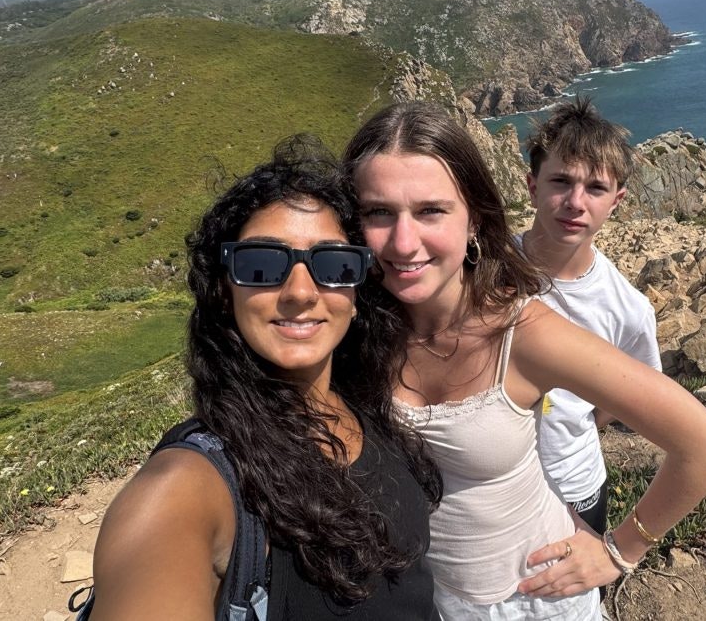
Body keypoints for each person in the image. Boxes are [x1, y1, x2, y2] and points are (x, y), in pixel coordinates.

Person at [343, 102, 706, 620]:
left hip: (531, 592)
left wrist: (621, 550)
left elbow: (704, 444)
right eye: (378, 212)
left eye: (431, 210)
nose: (404, 241)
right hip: (421, 592)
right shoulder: (350, 322)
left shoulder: (531, 330)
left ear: (474, 220)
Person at [88, 135, 442, 620]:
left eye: (334, 264)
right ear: (222, 286)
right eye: (261, 265)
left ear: (357, 290)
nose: (300, 291)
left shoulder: (364, 405)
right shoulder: (182, 491)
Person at [519, 96, 662, 539]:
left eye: (596, 188)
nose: (575, 202)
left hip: (573, 485)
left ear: (616, 201)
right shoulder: (483, 263)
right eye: (560, 181)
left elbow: (622, 401)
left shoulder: (629, 309)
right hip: (485, 483)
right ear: (532, 186)